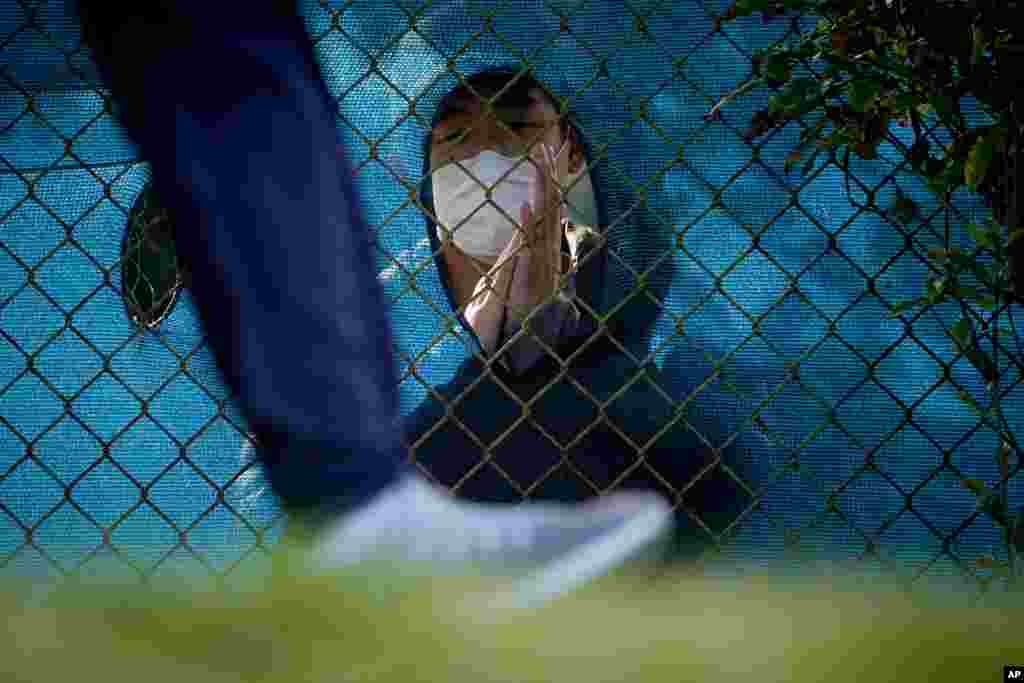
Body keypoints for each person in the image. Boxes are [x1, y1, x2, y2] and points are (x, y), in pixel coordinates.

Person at [76, 0, 674, 607]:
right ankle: (350, 507)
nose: (486, 162)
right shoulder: (387, 316)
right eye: (459, 137)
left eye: (517, 127)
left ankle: (351, 507)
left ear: (574, 151)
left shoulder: (663, 357)